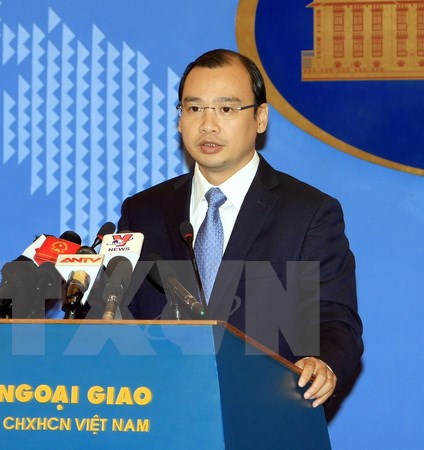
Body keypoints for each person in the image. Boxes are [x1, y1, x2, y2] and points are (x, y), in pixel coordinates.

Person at [116, 49, 363, 420]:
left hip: (267, 417)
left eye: (226, 109)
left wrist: (322, 362)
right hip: (162, 417)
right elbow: (119, 316)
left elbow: (335, 320)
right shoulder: (143, 211)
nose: (208, 125)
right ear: (180, 119)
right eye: (194, 108)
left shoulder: (309, 213)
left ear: (260, 118)